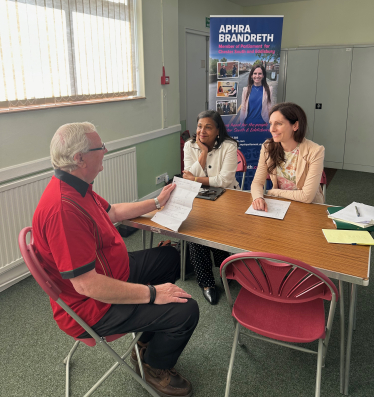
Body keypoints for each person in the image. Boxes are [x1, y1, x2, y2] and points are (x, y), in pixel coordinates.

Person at [32, 122, 199, 397]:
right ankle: (155, 368)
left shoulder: (76, 185)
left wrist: (157, 202)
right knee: (186, 310)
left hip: (111, 273)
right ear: (79, 158)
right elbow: (87, 286)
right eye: (100, 148)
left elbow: (112, 212)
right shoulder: (63, 210)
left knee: (171, 258)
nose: (106, 151)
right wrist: (153, 293)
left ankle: (146, 343)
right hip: (94, 305)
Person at [182, 111, 239, 305]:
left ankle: (224, 268)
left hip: (227, 198)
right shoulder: (190, 146)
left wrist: (196, 178)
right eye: (199, 126)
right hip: (198, 196)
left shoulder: (229, 146)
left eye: (208, 127)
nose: (201, 131)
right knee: (196, 231)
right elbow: (187, 176)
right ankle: (206, 283)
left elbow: (224, 181)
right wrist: (203, 154)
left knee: (219, 228)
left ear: (217, 130)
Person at [251, 103, 325, 210]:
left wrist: (274, 192)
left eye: (278, 124)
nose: (272, 129)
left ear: (295, 126)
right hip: (281, 204)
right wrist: (258, 198)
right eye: (271, 123)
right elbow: (257, 182)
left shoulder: (315, 151)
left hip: (308, 207)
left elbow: (307, 197)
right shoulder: (268, 147)